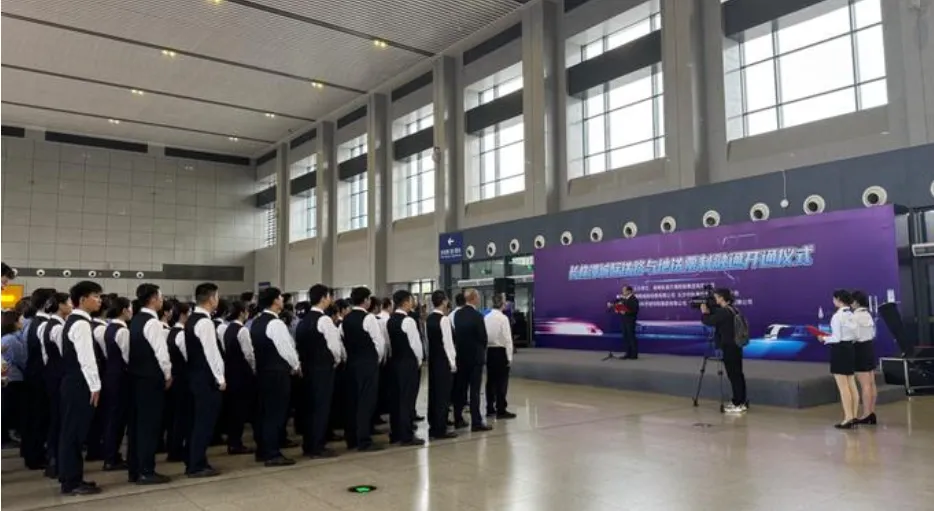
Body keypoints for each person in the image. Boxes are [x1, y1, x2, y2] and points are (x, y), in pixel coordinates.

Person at [57, 281, 103, 496]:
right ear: (83, 300)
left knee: (72, 432)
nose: (100, 300)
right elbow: (87, 358)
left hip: (72, 381)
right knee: (74, 433)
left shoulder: (73, 321)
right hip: (79, 383)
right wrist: (95, 385)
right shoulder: (81, 324)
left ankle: (71, 477)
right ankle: (71, 482)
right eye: (96, 296)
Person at [126, 284, 173, 485]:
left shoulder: (136, 320)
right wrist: (168, 374)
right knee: (149, 426)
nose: (162, 300)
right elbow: (161, 352)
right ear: (153, 298)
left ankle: (135, 469)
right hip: (150, 379)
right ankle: (146, 470)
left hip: (136, 378)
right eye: (161, 296)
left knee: (137, 426)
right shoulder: (153, 323)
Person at [251, 287, 300, 466]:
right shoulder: (276, 323)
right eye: (280, 297)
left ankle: (263, 450)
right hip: (277, 373)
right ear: (274, 301)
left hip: (263, 372)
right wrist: (296, 365)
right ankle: (272, 453)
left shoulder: (257, 322)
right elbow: (286, 348)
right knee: (276, 414)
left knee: (264, 413)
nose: (282, 300)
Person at [295, 284, 343, 458]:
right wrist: (336, 360)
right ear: (323, 298)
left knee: (309, 407)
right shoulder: (324, 320)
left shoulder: (303, 321)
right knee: (321, 407)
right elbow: (335, 347)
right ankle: (317, 446)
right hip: (322, 369)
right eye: (329, 296)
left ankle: (309, 444)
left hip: (307, 369)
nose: (330, 299)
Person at [184, 283, 225, 477]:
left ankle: (193, 460)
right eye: (217, 296)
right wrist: (220, 378)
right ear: (211, 298)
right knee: (204, 423)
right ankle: (197, 464)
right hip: (206, 379)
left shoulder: (191, 319)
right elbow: (211, 353)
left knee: (196, 422)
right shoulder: (205, 323)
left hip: (195, 376)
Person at [341, 286, 386, 451]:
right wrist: (376, 360)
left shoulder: (345, 319)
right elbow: (379, 343)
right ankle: (364, 439)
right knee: (366, 402)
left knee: (352, 402)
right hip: (367, 364)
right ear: (366, 300)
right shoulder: (369, 318)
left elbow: (342, 342)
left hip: (351, 364)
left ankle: (351, 439)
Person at [21, 288, 56, 470]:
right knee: (39, 417)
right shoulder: (43, 324)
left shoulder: (35, 321)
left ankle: (32, 453)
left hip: (34, 374)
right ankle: (35, 456)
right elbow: (45, 355)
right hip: (40, 375)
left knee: (34, 416)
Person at [815, 290, 859, 429]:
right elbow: (856, 335)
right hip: (850, 348)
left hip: (839, 350)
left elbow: (836, 337)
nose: (833, 301)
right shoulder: (852, 315)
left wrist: (823, 338)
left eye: (834, 299)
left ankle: (848, 418)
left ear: (839, 299)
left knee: (843, 386)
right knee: (851, 383)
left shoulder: (837, 316)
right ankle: (854, 416)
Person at [700, 289, 748, 414]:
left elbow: (709, 321)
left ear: (722, 298)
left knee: (733, 375)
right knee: (738, 374)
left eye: (716, 297)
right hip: (736, 345)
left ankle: (738, 403)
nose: (715, 300)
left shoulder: (724, 312)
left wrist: (704, 313)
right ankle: (741, 400)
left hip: (729, 346)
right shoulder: (733, 309)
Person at [40, 292, 72, 479]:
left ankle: (54, 460)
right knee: (59, 420)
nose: (71, 306)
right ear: (60, 305)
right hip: (59, 376)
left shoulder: (49, 324)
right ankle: (56, 462)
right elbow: (65, 353)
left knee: (56, 418)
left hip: (51, 374)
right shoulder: (58, 328)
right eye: (69, 303)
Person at [386, 290, 425, 446]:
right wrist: (419, 360)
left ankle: (395, 433)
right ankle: (406, 435)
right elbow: (416, 345)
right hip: (408, 362)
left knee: (396, 399)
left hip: (395, 362)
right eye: (411, 300)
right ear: (406, 302)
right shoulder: (408, 321)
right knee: (407, 400)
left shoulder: (390, 320)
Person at [452, 289, 492, 432]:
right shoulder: (477, 316)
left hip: (461, 356)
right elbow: (483, 337)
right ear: (474, 298)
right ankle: (476, 421)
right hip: (475, 358)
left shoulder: (457, 314)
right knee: (474, 391)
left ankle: (457, 418)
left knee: (460, 389)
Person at [101, 297, 131, 472]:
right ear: (124, 310)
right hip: (121, 377)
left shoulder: (109, 328)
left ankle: (110, 455)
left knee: (112, 417)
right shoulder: (122, 331)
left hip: (111, 375)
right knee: (117, 419)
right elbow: (128, 356)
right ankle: (112, 458)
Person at [223, 300, 256, 455]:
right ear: (242, 313)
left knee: (233, 409)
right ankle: (236, 444)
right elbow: (249, 354)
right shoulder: (242, 331)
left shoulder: (228, 329)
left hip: (230, 373)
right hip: (242, 374)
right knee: (240, 410)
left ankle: (233, 441)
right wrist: (254, 369)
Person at [426, 291, 457, 440]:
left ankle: (433, 425)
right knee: (443, 395)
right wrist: (453, 363)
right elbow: (448, 343)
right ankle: (440, 428)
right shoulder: (444, 319)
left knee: (434, 393)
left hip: (433, 360)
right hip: (443, 360)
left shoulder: (429, 319)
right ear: (444, 301)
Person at [165, 303, 192, 463]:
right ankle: (176, 450)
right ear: (183, 314)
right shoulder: (181, 334)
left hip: (175, 378)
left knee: (175, 416)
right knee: (182, 416)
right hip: (182, 379)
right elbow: (189, 357)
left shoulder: (171, 332)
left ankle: (173, 448)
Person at [484, 293, 516, 420]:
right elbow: (508, 339)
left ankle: (489, 408)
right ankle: (501, 408)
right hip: (501, 351)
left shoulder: (486, 317)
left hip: (490, 351)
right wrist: (509, 357)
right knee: (502, 382)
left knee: (490, 381)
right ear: (502, 304)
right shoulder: (503, 319)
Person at [850, 291, 878, 425]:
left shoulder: (855, 317)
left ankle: (866, 413)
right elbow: (872, 333)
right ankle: (871, 412)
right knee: (871, 383)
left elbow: (853, 336)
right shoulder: (868, 315)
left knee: (864, 384)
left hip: (859, 350)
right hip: (869, 348)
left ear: (856, 302)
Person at [2, 310, 27, 448]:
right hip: (14, 378)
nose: (22, 322)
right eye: (20, 320)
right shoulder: (11, 340)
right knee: (11, 408)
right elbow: (21, 359)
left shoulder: (6, 338)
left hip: (9, 377)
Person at [614, 286, 640, 359]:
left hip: (630, 321)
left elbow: (635, 311)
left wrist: (625, 312)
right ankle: (628, 353)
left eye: (624, 290)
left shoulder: (634, 299)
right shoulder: (624, 299)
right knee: (625, 337)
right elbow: (620, 306)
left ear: (629, 291)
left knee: (631, 337)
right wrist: (618, 309)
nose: (623, 292)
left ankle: (634, 354)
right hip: (624, 320)